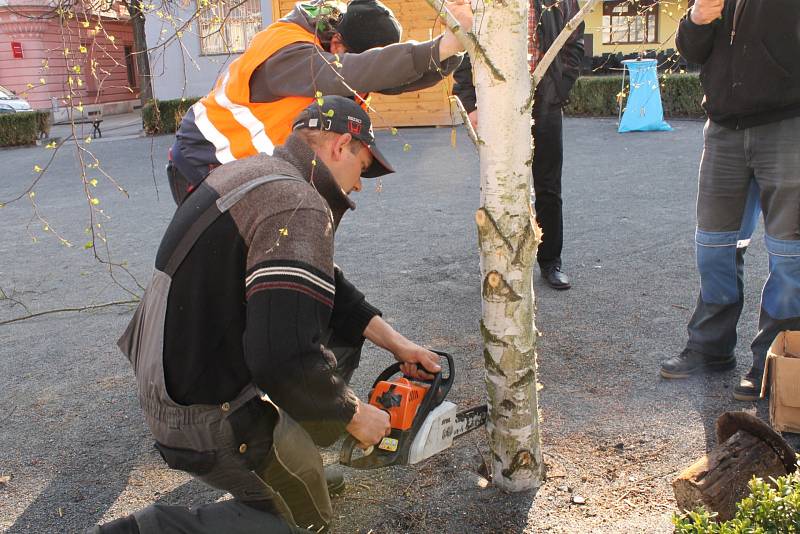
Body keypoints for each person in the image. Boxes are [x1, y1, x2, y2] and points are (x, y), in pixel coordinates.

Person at [96, 96, 443, 533]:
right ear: (340, 146)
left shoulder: (254, 172)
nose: (359, 186)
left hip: (172, 381)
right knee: (306, 523)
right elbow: (281, 358)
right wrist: (355, 415)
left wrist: (398, 343)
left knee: (330, 325)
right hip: (200, 414)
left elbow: (321, 284)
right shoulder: (297, 204)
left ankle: (295, 459)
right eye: (363, 166)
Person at [168, 0, 473, 205]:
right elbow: (355, 70)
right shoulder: (288, 52)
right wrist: (441, 45)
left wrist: (451, 52)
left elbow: (388, 77)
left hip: (248, 170)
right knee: (230, 265)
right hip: (202, 163)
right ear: (338, 43)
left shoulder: (339, 52)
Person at [659, 0, 800, 401]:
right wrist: (696, 19)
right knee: (714, 247)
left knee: (790, 254)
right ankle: (710, 347)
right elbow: (690, 50)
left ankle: (773, 360)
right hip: (723, 129)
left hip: (788, 125)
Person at [451, 0, 584, 290]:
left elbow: (574, 42)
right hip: (498, 101)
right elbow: (465, 45)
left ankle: (551, 262)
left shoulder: (560, 1)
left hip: (545, 103)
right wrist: (470, 102)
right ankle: (504, 264)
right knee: (501, 187)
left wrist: (556, 90)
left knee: (548, 186)